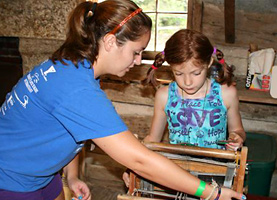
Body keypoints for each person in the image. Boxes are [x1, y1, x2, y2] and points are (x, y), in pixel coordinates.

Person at [0, 1, 245, 200]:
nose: (138, 61)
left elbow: (71, 126)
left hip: (43, 174)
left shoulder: (72, 64)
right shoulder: (77, 89)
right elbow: (139, 159)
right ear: (109, 42)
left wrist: (71, 176)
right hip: (9, 178)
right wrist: (211, 192)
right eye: (136, 52)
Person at [123, 29, 246, 186]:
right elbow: (153, 140)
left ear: (208, 63)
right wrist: (132, 166)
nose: (187, 82)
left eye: (196, 73)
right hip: (178, 173)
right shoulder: (164, 95)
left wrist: (237, 138)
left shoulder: (226, 94)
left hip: (216, 173)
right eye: (179, 74)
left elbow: (238, 130)